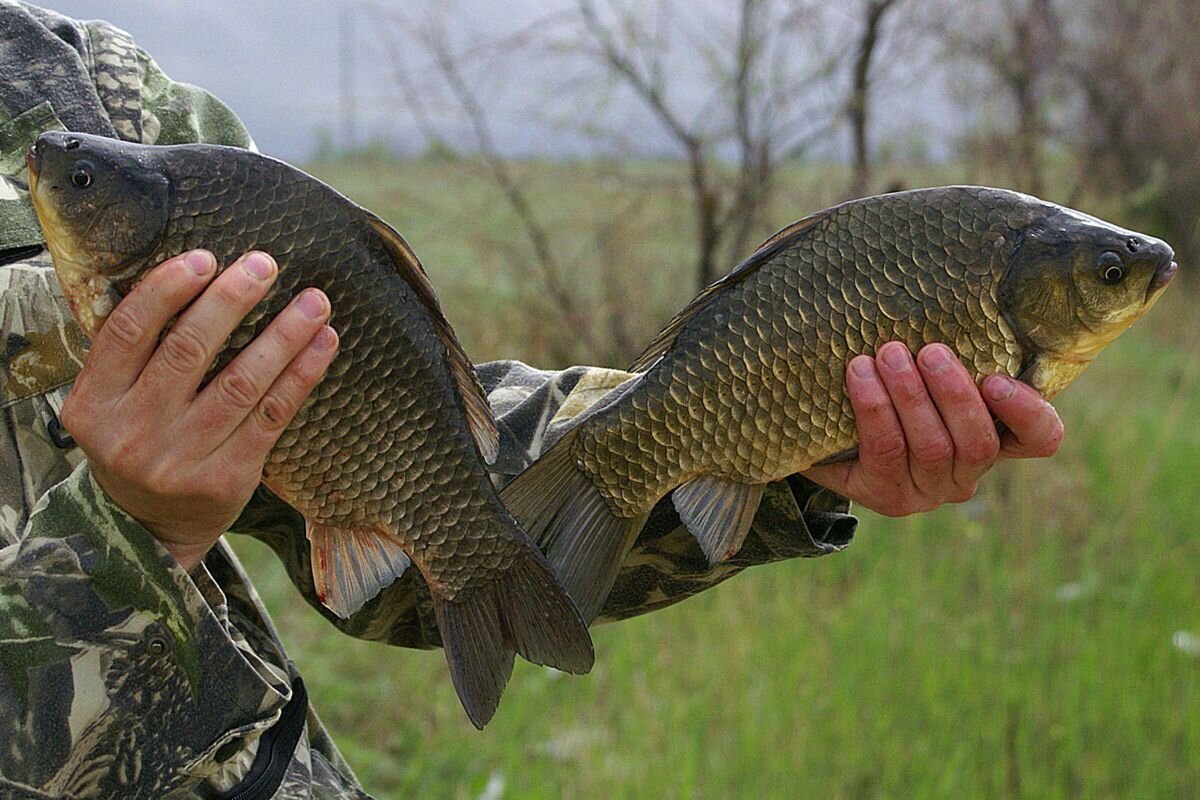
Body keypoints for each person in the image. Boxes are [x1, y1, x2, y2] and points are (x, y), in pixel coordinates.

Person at [0, 3, 1064, 797]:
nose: (65, 171)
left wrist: (778, 436)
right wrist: (123, 537)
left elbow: (392, 438)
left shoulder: (74, 88)